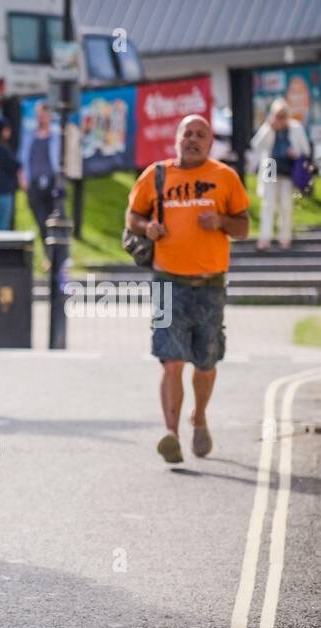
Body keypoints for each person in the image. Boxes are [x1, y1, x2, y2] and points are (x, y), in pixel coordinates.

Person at [126, 115, 250, 464]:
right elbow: (132, 217)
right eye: (187, 133)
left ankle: (199, 417)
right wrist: (147, 226)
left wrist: (222, 222)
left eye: (201, 135)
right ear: (177, 138)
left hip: (210, 285)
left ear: (210, 143)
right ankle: (171, 433)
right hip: (167, 283)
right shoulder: (156, 175)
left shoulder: (225, 177)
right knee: (172, 361)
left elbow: (243, 226)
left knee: (206, 363)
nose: (193, 139)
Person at [250, 99, 309, 251]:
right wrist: (269, 128)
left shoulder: (295, 127)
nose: (281, 119)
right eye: (278, 115)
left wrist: (296, 153)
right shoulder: (269, 127)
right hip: (271, 166)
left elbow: (305, 150)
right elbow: (255, 145)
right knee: (268, 203)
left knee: (285, 204)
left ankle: (285, 237)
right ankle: (265, 238)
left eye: (283, 115)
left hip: (288, 169)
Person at [19, 100, 60, 261]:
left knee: (53, 220)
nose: (41, 118)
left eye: (44, 115)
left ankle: (54, 255)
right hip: (34, 183)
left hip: (51, 183)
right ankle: (48, 253)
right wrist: (23, 177)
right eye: (39, 115)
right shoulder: (30, 136)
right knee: (41, 220)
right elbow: (23, 158)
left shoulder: (56, 135)